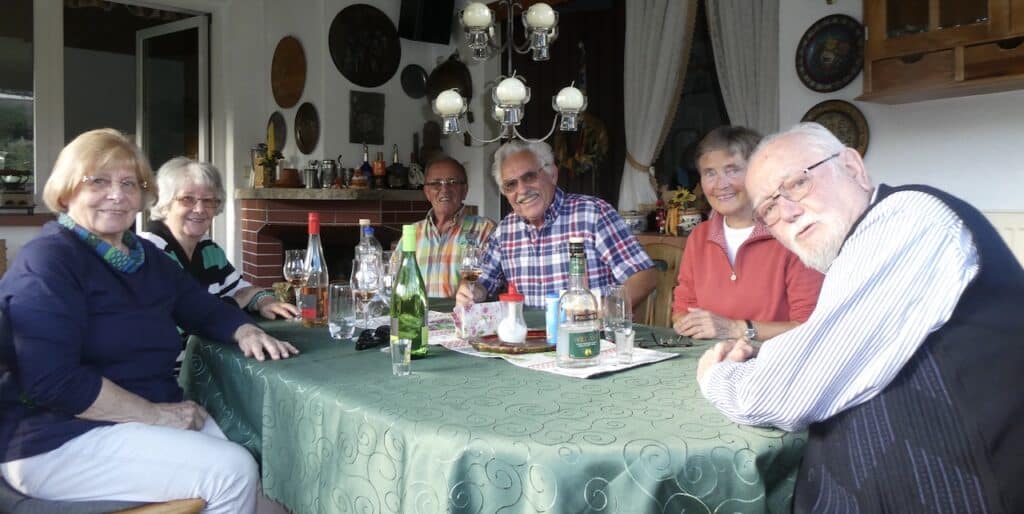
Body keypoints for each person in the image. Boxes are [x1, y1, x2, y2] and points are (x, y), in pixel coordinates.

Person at [698, 122, 1024, 513]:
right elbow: (823, 346)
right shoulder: (857, 249)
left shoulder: (911, 217)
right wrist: (766, 357)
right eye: (768, 207)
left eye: (798, 183)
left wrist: (716, 376)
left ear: (853, 168)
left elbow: (783, 395)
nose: (787, 211)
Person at [0, 129, 300, 514]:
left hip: (141, 415)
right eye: (99, 181)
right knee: (232, 470)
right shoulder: (48, 260)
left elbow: (199, 306)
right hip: (57, 438)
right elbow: (54, 382)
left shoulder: (141, 255)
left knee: (263, 481)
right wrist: (154, 415)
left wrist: (243, 328)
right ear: (66, 191)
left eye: (130, 183)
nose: (117, 194)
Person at [456, 141, 658, 308]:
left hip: (587, 337)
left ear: (552, 175)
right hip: (528, 341)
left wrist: (604, 312)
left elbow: (644, 276)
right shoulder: (505, 231)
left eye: (529, 177)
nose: (522, 190)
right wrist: (471, 291)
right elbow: (482, 283)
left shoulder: (593, 214)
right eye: (511, 184)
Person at [671, 126, 823, 341]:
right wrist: (687, 324)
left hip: (773, 358)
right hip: (710, 357)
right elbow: (683, 308)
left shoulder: (793, 233)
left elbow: (811, 327)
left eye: (732, 170)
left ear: (760, 174)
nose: (721, 185)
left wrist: (736, 329)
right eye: (710, 173)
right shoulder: (699, 236)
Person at [140, 157, 298, 319]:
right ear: (164, 204)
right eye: (187, 199)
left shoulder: (207, 248)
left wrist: (265, 301)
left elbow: (241, 289)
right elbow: (179, 320)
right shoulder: (148, 252)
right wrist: (235, 302)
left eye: (208, 200)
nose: (200, 209)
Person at [411, 156, 496, 298]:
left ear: (464, 190)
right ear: (427, 192)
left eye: (452, 182)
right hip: (419, 312)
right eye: (436, 183)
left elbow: (492, 285)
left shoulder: (485, 230)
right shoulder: (412, 233)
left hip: (465, 312)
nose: (445, 189)